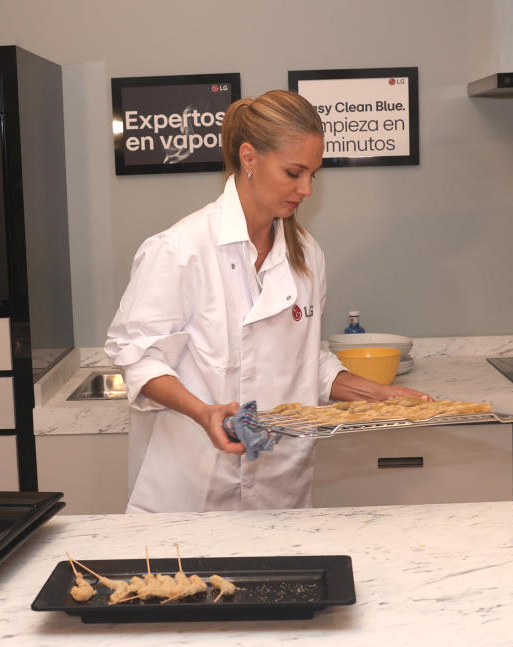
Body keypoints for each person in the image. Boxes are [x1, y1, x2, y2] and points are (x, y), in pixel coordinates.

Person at [105, 90, 431, 513]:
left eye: (314, 174)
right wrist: (205, 412)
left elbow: (302, 362)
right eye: (294, 172)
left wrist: (378, 394)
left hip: (282, 485)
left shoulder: (306, 254)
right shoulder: (180, 249)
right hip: (194, 487)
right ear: (249, 158)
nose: (307, 189)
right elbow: (139, 360)